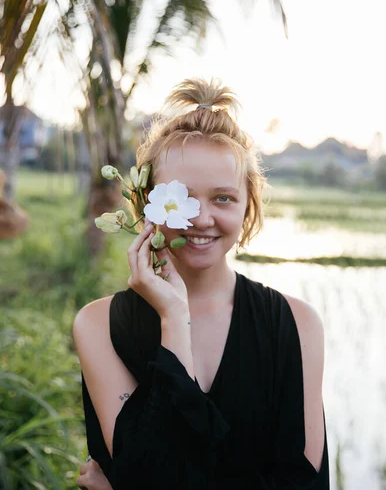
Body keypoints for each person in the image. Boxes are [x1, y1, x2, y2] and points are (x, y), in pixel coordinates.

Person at [73, 78, 329, 490]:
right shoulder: (98, 324)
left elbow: (299, 484)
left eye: (223, 198)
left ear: (249, 207)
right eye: (183, 198)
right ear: (146, 202)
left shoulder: (297, 325)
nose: (201, 218)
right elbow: (152, 471)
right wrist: (174, 317)